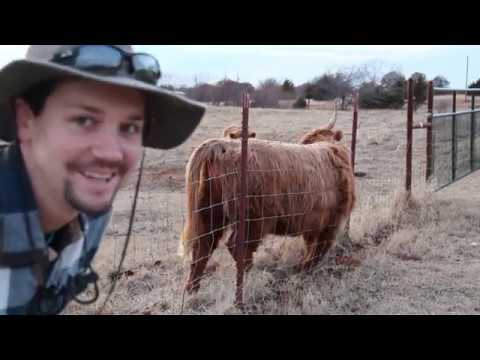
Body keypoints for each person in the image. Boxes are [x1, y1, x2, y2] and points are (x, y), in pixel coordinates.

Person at [0, 45, 206, 315]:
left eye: (130, 127)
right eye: (84, 120)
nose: (111, 153)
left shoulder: (89, 213)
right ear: (25, 120)